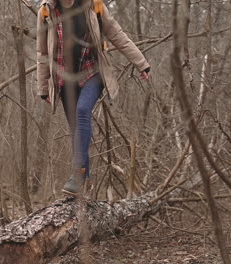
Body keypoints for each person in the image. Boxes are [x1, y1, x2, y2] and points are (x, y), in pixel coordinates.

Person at [36, 0, 150, 195]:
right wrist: (43, 87)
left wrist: (142, 63)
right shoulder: (47, 11)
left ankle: (78, 174)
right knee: (75, 131)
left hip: (92, 71)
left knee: (82, 111)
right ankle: (84, 184)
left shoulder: (93, 4)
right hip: (65, 78)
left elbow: (116, 34)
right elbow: (43, 52)